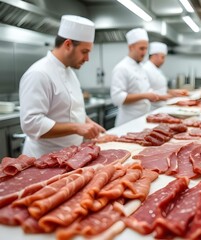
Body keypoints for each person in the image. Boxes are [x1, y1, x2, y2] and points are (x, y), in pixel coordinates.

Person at [19, 15, 105, 158]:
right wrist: (77, 128)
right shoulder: (39, 73)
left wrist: (88, 123)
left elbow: (72, 111)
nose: (87, 59)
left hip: (70, 156)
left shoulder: (70, 72)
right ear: (68, 45)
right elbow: (31, 124)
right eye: (84, 52)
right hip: (44, 159)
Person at [110, 28, 167, 126]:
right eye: (141, 48)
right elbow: (117, 98)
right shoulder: (122, 68)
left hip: (143, 118)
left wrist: (156, 95)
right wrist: (145, 96)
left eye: (146, 48)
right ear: (131, 47)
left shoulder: (141, 67)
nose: (144, 52)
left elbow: (145, 89)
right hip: (128, 122)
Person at [143, 42, 188, 110]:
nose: (163, 61)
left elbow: (160, 88)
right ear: (155, 56)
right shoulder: (146, 69)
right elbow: (146, 92)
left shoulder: (157, 69)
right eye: (162, 57)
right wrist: (167, 97)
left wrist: (172, 92)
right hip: (152, 108)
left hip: (161, 106)